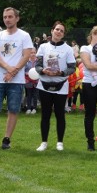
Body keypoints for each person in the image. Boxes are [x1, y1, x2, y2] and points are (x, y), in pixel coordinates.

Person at [0, 7, 34, 149]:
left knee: (13, 110)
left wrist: (13, 71)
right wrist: (9, 69)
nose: (7, 19)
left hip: (16, 80)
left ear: (17, 18)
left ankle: (6, 139)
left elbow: (26, 55)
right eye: (5, 17)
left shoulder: (24, 36)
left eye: (10, 17)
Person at [35, 21, 77, 151]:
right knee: (45, 114)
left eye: (61, 31)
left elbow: (72, 67)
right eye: (57, 29)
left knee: (60, 114)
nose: (58, 32)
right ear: (52, 30)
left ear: (63, 34)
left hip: (61, 85)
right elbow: (37, 65)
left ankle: (60, 142)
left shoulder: (68, 49)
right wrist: (43, 71)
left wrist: (61, 72)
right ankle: (44, 142)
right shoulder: (43, 47)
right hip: (44, 84)